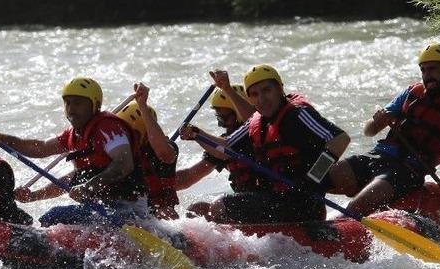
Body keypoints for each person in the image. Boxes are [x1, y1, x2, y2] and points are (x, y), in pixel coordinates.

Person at [327, 43, 440, 235]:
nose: (427, 75)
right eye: (423, 69)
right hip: (377, 157)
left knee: (358, 206)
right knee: (318, 177)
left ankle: (333, 232)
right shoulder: (411, 94)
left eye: (433, 69)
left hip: (406, 172)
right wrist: (378, 121)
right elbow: (369, 131)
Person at [182, 64, 350, 223]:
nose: (261, 99)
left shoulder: (298, 114)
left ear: (280, 89)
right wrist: (196, 134)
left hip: (303, 203)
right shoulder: (256, 121)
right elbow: (224, 149)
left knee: (220, 206)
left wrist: (313, 178)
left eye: (266, 90)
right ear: (250, 99)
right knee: (198, 209)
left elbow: (340, 139)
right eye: (254, 94)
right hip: (275, 200)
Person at [0, 77, 147, 226]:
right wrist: (1, 138)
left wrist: (87, 187)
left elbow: (124, 165)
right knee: (53, 218)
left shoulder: (108, 128)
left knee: (53, 217)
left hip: (127, 210)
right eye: (67, 103)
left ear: (95, 105)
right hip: (101, 210)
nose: (71, 109)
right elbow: (40, 149)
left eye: (77, 103)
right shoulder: (73, 135)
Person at [175, 84, 259, 216]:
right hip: (246, 203)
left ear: (238, 113)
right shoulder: (220, 145)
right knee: (196, 210)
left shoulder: (255, 135)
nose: (222, 125)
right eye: (218, 118)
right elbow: (188, 177)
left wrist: (195, 134)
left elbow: (226, 147)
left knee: (218, 206)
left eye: (224, 118)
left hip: (266, 199)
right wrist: (157, 183)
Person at [117, 82, 179, 219]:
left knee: (166, 213)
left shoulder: (166, 149)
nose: (123, 139)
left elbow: (164, 153)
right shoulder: (117, 151)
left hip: (155, 214)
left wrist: (142, 106)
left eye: (129, 134)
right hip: (125, 211)